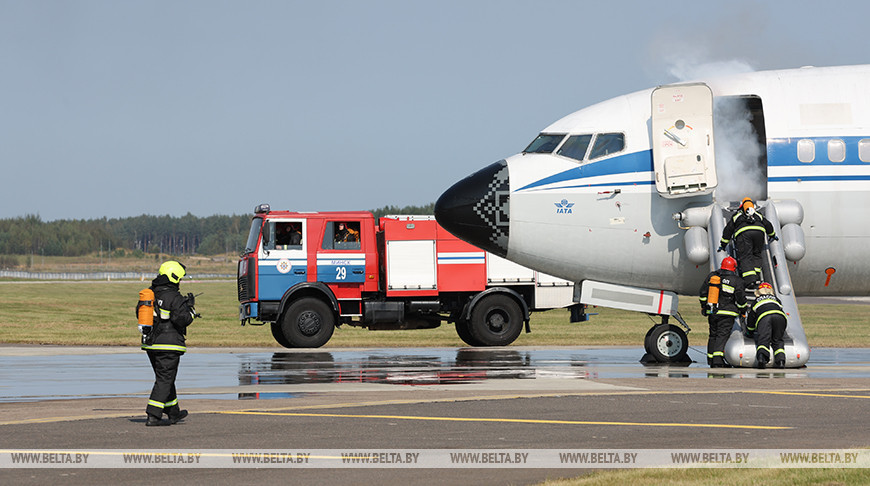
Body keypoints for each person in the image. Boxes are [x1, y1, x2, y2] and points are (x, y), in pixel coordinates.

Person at [140, 261, 196, 426]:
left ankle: (173, 412)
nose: (180, 282)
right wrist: (191, 310)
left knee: (165, 377)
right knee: (165, 379)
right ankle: (153, 415)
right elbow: (182, 320)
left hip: (151, 344)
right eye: (179, 279)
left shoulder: (150, 293)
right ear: (174, 277)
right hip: (169, 345)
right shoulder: (174, 297)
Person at [699, 256, 747, 367]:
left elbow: (702, 292)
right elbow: (740, 298)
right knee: (722, 335)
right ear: (734, 268)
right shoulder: (737, 281)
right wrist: (743, 309)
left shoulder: (713, 276)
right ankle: (717, 361)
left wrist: (704, 307)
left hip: (712, 311)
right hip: (727, 313)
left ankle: (710, 360)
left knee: (713, 335)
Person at [719, 197, 777, 289]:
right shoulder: (758, 214)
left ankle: (750, 281)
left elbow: (728, 230)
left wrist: (723, 245)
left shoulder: (737, 215)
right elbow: (768, 225)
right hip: (759, 233)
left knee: (745, 256)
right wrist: (772, 235)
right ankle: (757, 276)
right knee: (757, 255)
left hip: (744, 235)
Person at [746, 282, 788, 369]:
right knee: (778, 340)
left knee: (763, 339)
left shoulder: (756, 301)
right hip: (780, 317)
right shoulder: (776, 299)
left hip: (764, 317)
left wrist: (750, 331)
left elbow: (751, 317)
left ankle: (762, 359)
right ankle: (780, 361)